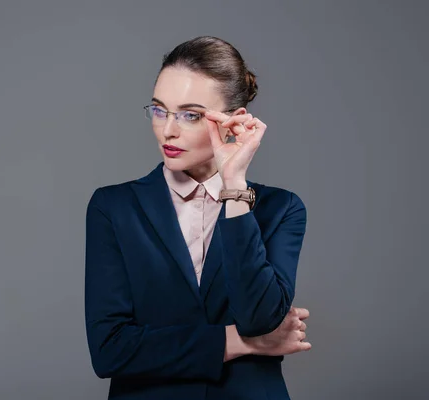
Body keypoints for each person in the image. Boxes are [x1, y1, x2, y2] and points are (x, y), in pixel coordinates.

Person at [84, 36, 311, 400]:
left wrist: (234, 186)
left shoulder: (281, 209)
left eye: (191, 115)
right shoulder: (114, 208)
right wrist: (240, 342)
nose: (168, 130)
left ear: (233, 121)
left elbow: (258, 318)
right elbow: (110, 349)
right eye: (159, 110)